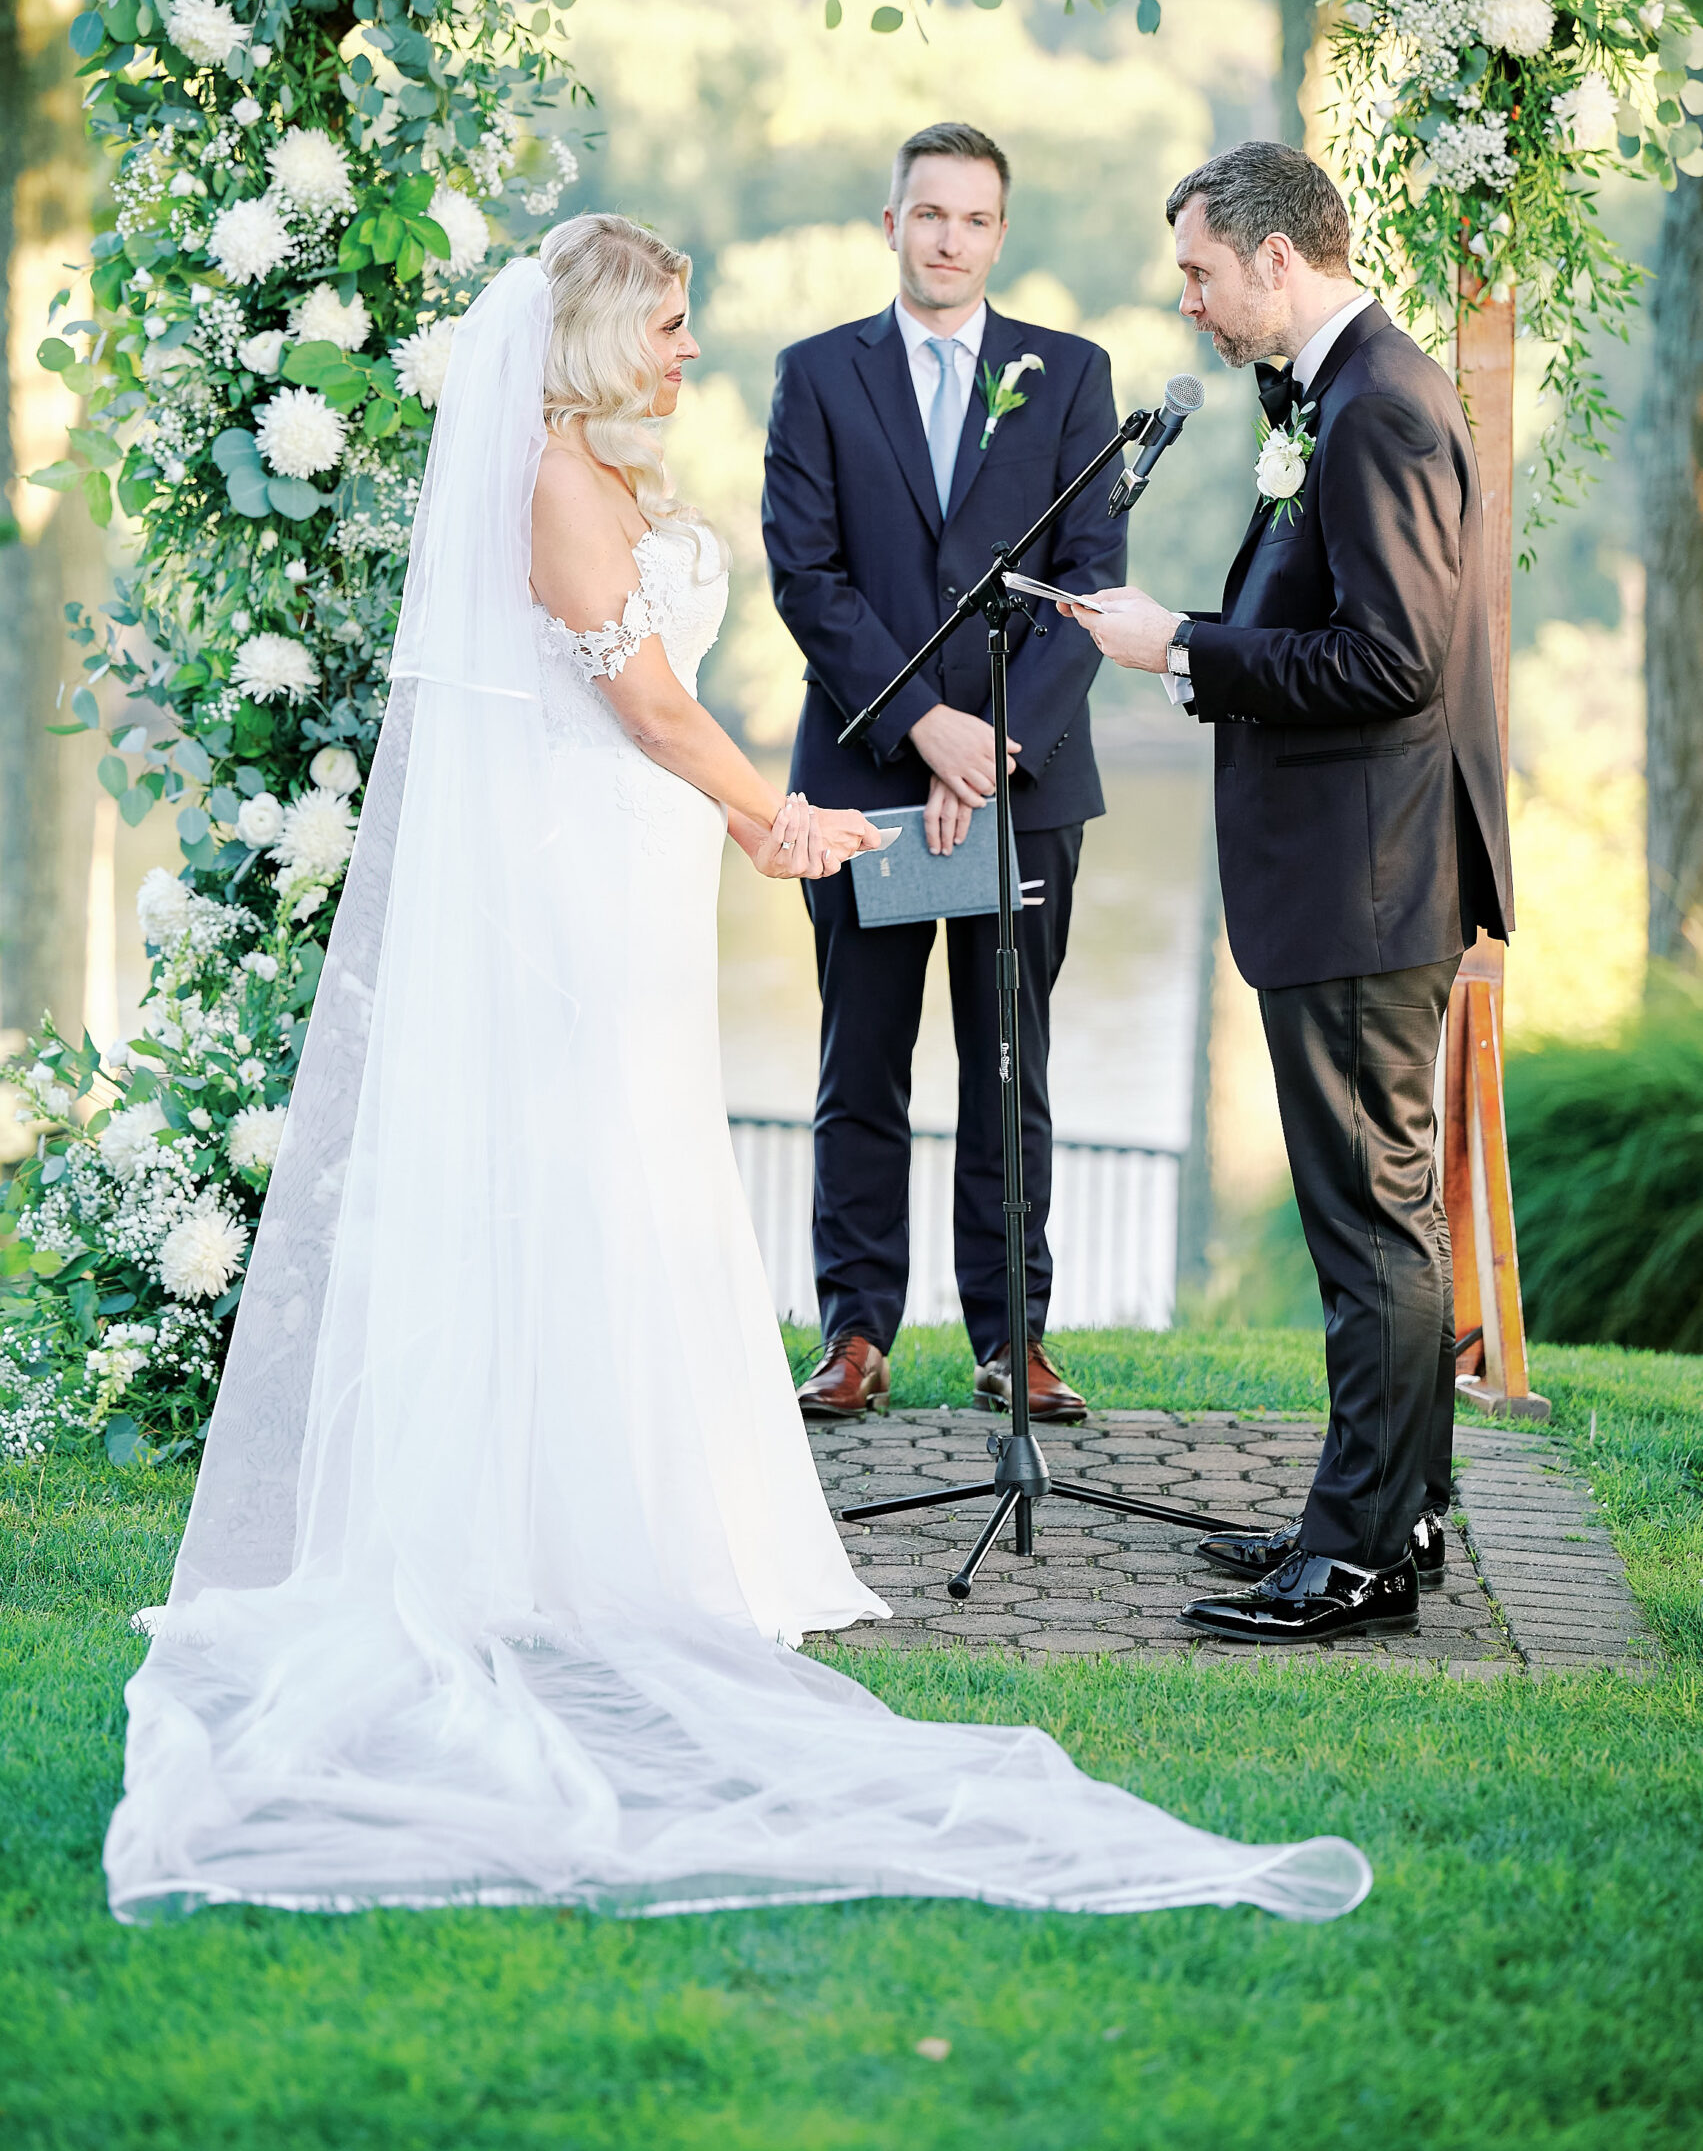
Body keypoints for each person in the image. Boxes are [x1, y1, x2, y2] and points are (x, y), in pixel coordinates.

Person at [102, 213, 1368, 1925]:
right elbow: (646, 706)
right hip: (580, 865)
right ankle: (553, 1534)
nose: (691, 348)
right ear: (598, 335)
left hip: (637, 866)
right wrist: (776, 812)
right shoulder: (554, 478)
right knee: (583, 1169)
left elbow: (666, 695)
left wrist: (765, 818)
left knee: (642, 1171)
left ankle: (661, 1515)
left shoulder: (608, 469)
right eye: (671, 324)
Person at [1064, 143, 1512, 1648]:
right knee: (1384, 1211)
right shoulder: (1343, 390)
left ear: (1276, 257)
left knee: (1370, 1222)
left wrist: (1178, 647)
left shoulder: (1378, 405)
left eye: (1199, 270)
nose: (1186, 300)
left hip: (1364, 876)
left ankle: (1360, 1562)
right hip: (1359, 870)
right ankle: (1396, 1512)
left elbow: (1391, 660)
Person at [763, 124, 1126, 1426]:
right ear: (891, 221)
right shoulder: (817, 376)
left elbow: (1088, 582)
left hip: (1025, 787)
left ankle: (1012, 1340)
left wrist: (997, 744)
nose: (948, 238)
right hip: (866, 781)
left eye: (972, 220)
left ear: (999, 235)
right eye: (928, 214)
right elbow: (808, 579)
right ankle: (855, 1335)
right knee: (861, 1062)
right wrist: (927, 728)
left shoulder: (1071, 376)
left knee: (1008, 1067)